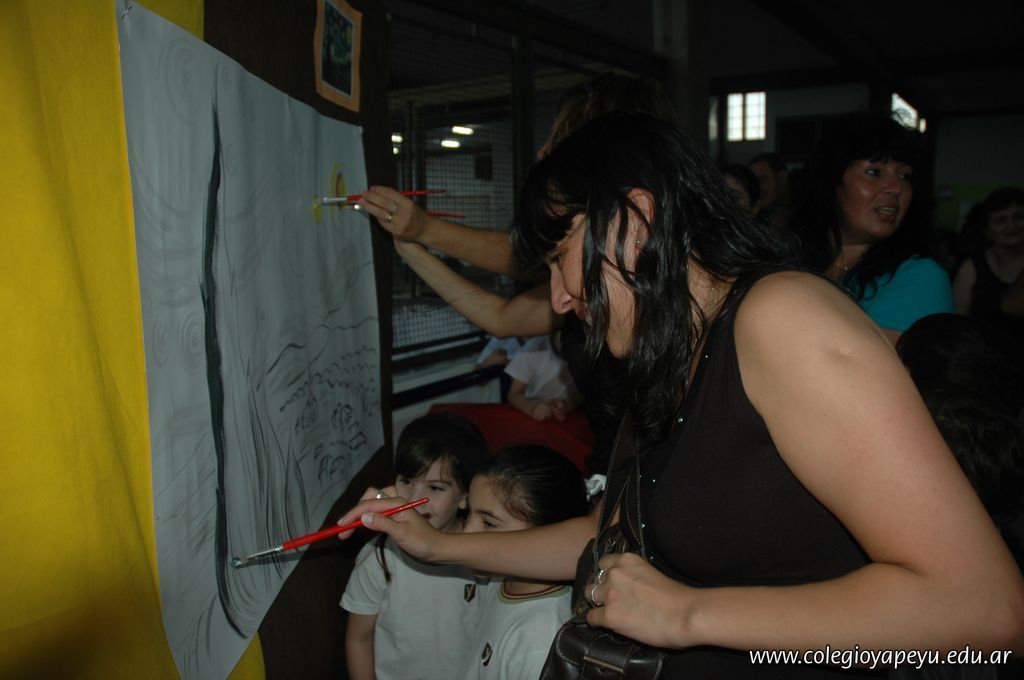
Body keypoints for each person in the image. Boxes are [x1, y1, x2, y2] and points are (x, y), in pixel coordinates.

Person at [339, 112, 1024, 677]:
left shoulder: (780, 317)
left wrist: (687, 614)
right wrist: (436, 546)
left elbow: (988, 610)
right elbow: (603, 535)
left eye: (559, 257)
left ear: (636, 218)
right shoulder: (670, 354)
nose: (559, 297)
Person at [359, 72, 674, 479]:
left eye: (557, 138)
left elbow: (520, 257)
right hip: (614, 474)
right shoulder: (585, 283)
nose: (543, 151)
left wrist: (422, 228)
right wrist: (408, 246)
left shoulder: (665, 286)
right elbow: (503, 317)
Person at [340, 413, 489, 680]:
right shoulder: (378, 556)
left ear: (465, 496)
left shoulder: (484, 555)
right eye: (406, 481)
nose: (414, 500)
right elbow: (358, 639)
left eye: (435, 487)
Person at [791, 113, 954, 340]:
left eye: (905, 176)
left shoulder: (920, 276)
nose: (895, 187)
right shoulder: (793, 261)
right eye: (874, 172)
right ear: (833, 184)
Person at [461, 445, 589, 680]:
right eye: (468, 514)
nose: (466, 533)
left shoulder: (540, 638)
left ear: (546, 534)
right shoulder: (498, 579)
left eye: (489, 523)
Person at [952, 187, 1024, 343]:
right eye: (1001, 220)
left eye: (1018, 217)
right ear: (986, 230)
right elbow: (957, 321)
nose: (1012, 225)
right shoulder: (971, 267)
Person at [504, 332, 581, 422]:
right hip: (532, 413)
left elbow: (586, 396)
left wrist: (567, 404)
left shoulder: (588, 352)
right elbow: (514, 394)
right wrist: (532, 407)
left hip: (572, 416)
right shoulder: (531, 350)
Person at [748, 151, 791, 225]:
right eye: (752, 182)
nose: (756, 187)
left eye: (762, 180)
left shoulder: (807, 211)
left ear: (782, 178)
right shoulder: (756, 217)